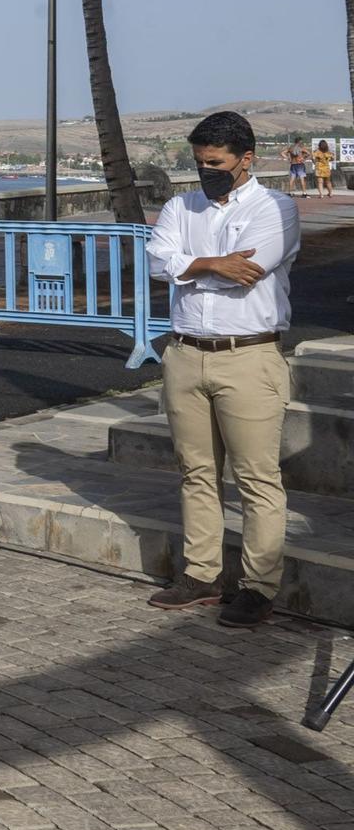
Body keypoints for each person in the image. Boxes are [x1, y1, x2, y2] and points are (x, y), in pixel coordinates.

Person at [146, 110, 300, 628]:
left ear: (245, 160)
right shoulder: (179, 206)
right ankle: (201, 573)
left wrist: (187, 265)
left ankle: (258, 586)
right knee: (197, 473)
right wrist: (211, 264)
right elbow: (155, 259)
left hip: (249, 356)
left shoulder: (275, 208)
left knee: (257, 478)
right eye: (198, 162)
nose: (205, 170)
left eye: (215, 162)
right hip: (186, 354)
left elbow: (249, 272)